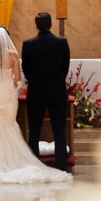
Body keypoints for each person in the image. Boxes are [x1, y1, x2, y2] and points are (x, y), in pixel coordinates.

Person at [0, 26, 71, 184]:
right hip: (7, 95)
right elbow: (18, 78)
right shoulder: (12, 54)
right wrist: (9, 84)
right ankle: (12, 160)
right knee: (9, 124)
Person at [21, 13, 71, 172]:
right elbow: (65, 66)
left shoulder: (28, 44)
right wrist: (56, 81)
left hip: (36, 92)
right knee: (59, 129)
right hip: (57, 91)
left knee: (34, 129)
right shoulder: (62, 42)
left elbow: (26, 69)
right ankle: (62, 166)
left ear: (36, 25)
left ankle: (34, 165)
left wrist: (35, 82)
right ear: (50, 25)